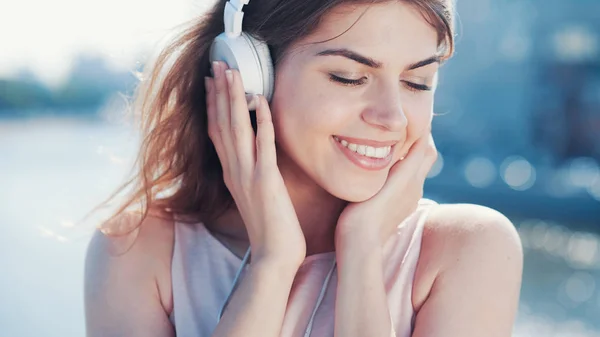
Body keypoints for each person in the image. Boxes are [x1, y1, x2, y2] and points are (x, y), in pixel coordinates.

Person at [84, 0, 524, 336]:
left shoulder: (468, 249)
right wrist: (272, 264)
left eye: (417, 83)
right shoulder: (138, 249)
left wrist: (363, 249)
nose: (393, 118)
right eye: (349, 77)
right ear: (248, 74)